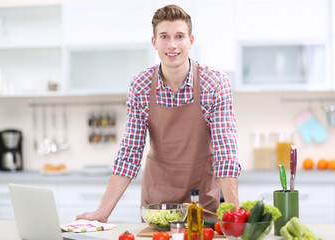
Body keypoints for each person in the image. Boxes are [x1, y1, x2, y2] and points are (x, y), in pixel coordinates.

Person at [77, 4, 241, 223]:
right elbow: (130, 153)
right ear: (154, 42)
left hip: (201, 203)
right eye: (164, 36)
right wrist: (102, 212)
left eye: (179, 36)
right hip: (157, 204)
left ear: (191, 41)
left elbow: (225, 153)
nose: (172, 45)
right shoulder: (141, 86)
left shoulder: (215, 84)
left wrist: (234, 214)